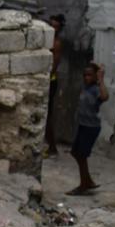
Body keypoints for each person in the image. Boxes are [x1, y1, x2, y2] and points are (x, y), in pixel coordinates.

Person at [69, 63, 109, 195]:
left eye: (89, 75)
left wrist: (101, 78)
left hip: (91, 127)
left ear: (95, 76)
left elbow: (105, 97)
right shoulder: (85, 87)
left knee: (81, 154)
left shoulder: (96, 89)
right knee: (76, 153)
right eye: (85, 75)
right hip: (82, 125)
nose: (86, 77)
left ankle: (84, 184)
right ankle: (87, 181)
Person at [43, 14, 65, 157]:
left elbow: (54, 66)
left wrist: (45, 78)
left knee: (47, 114)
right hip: (47, 79)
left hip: (50, 80)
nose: (53, 29)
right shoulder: (48, 40)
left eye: (56, 27)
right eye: (52, 25)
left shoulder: (56, 43)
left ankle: (52, 147)